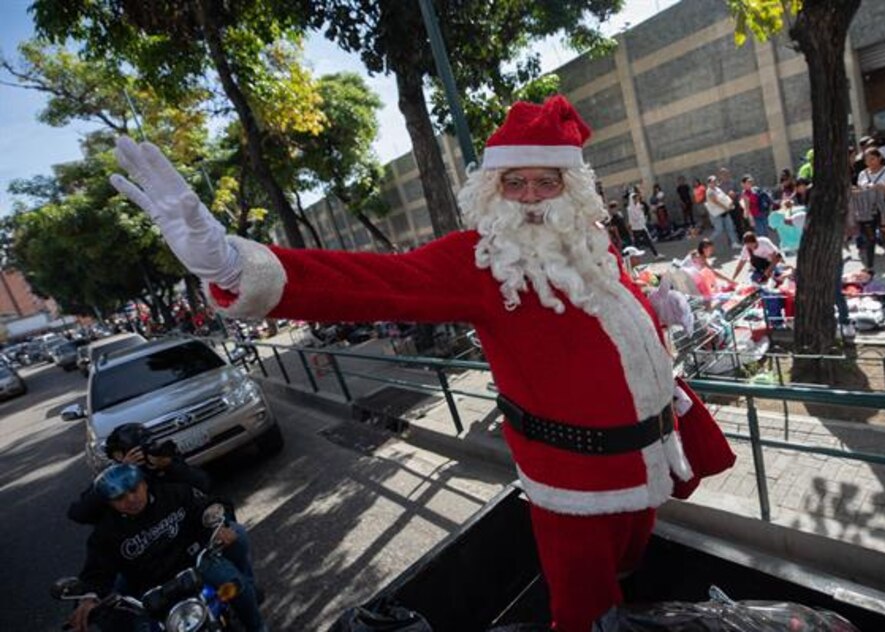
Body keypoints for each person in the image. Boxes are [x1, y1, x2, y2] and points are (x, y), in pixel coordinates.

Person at [110, 95, 735, 632]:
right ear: (492, 191)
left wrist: (653, 310)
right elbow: (382, 281)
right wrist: (227, 262)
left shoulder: (594, 245)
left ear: (570, 189)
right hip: (572, 488)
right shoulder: (480, 262)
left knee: (636, 578)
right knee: (583, 614)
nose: (530, 198)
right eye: (514, 184)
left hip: (648, 466)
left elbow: (609, 331)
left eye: (546, 182)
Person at [66, 464, 265, 632]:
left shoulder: (174, 494)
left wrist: (217, 524)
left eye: (134, 490)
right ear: (109, 503)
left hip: (198, 565)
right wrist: (88, 598)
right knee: (140, 628)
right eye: (120, 498)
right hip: (150, 589)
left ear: (144, 483)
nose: (131, 499)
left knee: (237, 587)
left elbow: (206, 505)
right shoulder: (105, 533)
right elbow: (96, 570)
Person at [68, 423, 212, 525]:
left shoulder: (161, 464)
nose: (144, 453)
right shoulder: (111, 479)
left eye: (148, 446)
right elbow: (79, 513)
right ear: (118, 456)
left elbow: (203, 484)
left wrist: (170, 466)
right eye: (137, 450)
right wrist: (122, 472)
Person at [855, 148, 885, 275]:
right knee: (869, 239)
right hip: (866, 209)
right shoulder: (862, 174)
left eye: (872, 158)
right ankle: (870, 268)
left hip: (883, 207)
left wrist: (879, 189)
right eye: (866, 159)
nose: (869, 162)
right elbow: (860, 191)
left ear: (879, 157)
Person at [704, 175, 740, 249]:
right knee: (719, 230)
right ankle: (706, 243)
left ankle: (734, 243)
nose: (714, 183)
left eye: (715, 181)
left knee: (730, 227)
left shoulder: (717, 189)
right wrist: (726, 207)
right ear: (709, 183)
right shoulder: (709, 191)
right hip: (717, 214)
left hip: (724, 212)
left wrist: (730, 202)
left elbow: (724, 197)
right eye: (712, 182)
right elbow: (716, 201)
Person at [627, 186, 660, 257]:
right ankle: (634, 258)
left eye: (636, 198)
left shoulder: (639, 206)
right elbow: (634, 218)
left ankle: (656, 255)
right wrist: (640, 214)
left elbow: (642, 215)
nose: (636, 200)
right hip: (635, 228)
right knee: (637, 245)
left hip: (642, 226)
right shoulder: (630, 209)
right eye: (635, 199)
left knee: (649, 241)